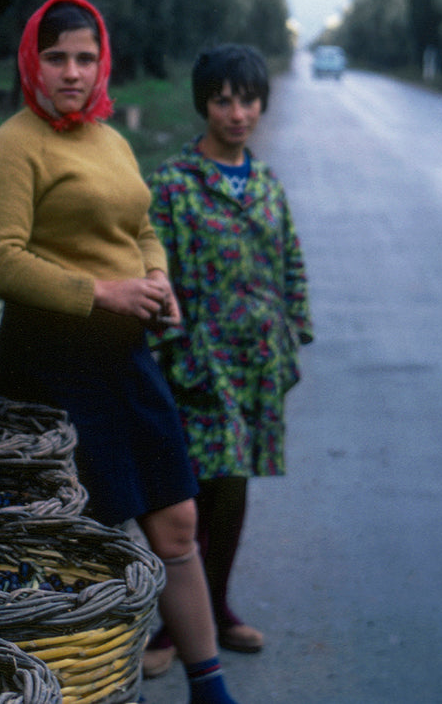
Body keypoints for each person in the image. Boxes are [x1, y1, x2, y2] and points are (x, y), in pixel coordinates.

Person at [0, 0, 240, 704]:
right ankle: (91, 686)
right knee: (95, 532)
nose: (71, 71)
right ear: (31, 60)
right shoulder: (13, 144)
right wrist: (102, 291)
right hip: (53, 359)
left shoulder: (109, 139)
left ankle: (208, 686)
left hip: (126, 357)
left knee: (177, 518)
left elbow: (142, 223)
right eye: (55, 56)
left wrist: (155, 277)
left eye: (84, 57)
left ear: (101, 64)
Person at [141, 43, 313, 672]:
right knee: (190, 490)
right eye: (222, 99)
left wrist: (295, 328)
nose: (237, 112)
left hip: (257, 365)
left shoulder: (266, 183)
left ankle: (217, 608)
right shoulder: (173, 186)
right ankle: (173, 624)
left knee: (234, 486)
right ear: (203, 104)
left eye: (247, 99)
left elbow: (290, 259)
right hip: (197, 365)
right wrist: (171, 351)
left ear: (261, 104)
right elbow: (154, 274)